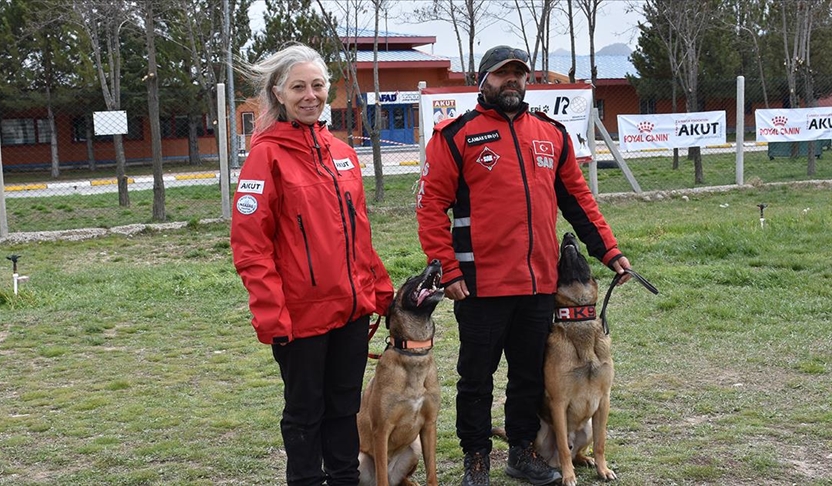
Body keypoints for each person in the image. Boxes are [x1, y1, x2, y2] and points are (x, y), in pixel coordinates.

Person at [415, 45, 632, 486]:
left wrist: (610, 252)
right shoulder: (455, 135)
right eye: (501, 74)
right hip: (478, 285)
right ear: (483, 80)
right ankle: (476, 458)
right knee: (476, 378)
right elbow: (429, 207)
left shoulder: (550, 134)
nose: (511, 80)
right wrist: (449, 271)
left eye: (518, 73)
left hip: (538, 283)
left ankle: (521, 451)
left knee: (528, 376)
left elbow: (578, 201)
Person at [230, 43, 394, 486]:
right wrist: (270, 312)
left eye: (318, 85)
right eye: (298, 87)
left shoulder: (341, 153)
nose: (310, 95)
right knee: (306, 412)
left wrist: (379, 292)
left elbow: (358, 234)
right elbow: (250, 246)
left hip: (351, 311)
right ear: (278, 94)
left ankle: (344, 479)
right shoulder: (265, 157)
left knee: (345, 407)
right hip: (299, 317)